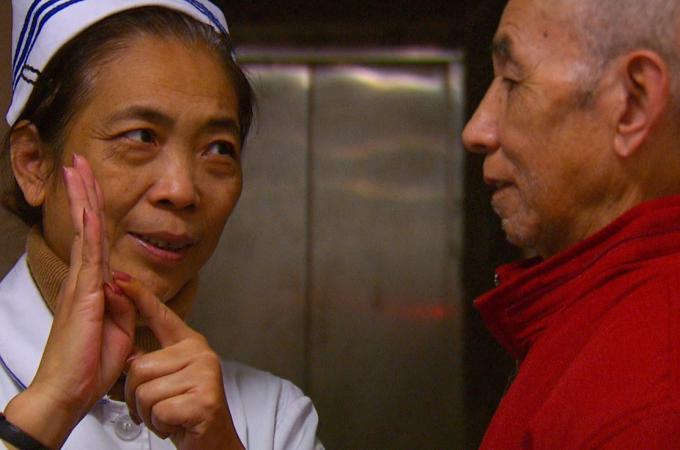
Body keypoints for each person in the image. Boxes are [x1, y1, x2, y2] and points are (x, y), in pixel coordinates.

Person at [0, 1, 323, 449]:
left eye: (218, 149)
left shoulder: (271, 419)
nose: (182, 189)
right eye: (140, 137)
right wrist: (47, 410)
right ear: (33, 163)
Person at [463, 0, 680, 448]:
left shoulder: (647, 407)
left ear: (633, 103)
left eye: (512, 81)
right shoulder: (599, 324)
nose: (477, 130)